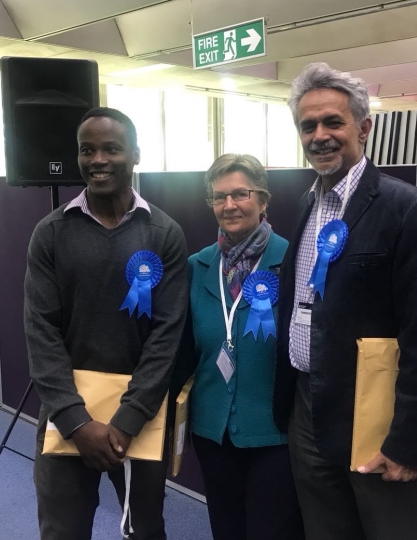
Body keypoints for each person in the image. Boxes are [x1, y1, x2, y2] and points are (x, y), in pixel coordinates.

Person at [272, 63, 417, 540]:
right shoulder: (308, 205)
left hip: (374, 413)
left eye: (333, 122)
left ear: (364, 127)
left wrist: (409, 442)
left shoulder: (408, 210)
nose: (320, 135)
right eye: (307, 125)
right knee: (324, 531)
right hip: (308, 408)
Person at [24, 107, 188, 540]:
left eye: (111, 149)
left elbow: (166, 337)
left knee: (145, 530)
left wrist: (126, 421)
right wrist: (77, 423)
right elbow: (41, 332)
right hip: (67, 416)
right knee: (62, 530)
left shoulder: (164, 233)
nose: (98, 160)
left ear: (135, 154)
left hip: (139, 417)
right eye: (87, 150)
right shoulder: (51, 232)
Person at [173, 154, 304, 540]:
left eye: (241, 194)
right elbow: (182, 350)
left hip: (275, 433)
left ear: (263, 200)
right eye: (219, 197)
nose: (229, 206)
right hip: (213, 431)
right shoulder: (197, 266)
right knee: (226, 530)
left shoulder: (293, 260)